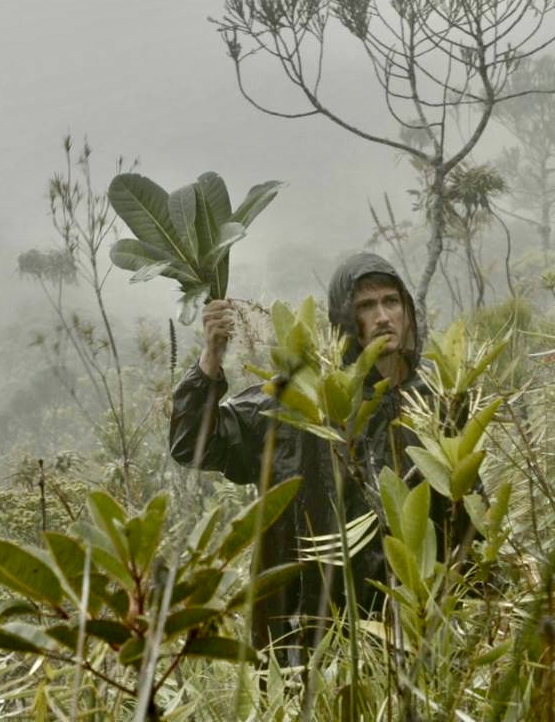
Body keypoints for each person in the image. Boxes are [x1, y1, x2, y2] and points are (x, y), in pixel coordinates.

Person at [168, 251, 468, 658]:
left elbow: (463, 517)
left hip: (411, 630)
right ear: (345, 318)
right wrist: (211, 357)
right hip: (307, 632)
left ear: (407, 311)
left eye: (391, 302)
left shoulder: (434, 404)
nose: (382, 316)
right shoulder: (296, 403)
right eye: (366, 306)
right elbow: (194, 443)